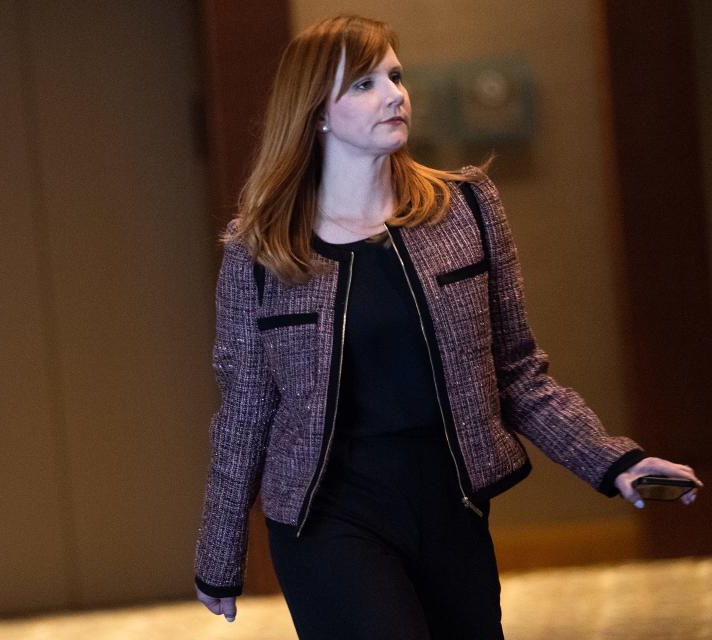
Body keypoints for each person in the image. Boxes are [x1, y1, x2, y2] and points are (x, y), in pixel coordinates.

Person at [192, 14, 702, 640]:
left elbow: (517, 373)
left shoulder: (465, 212)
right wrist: (220, 554)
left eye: (395, 76)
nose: (393, 95)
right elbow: (246, 407)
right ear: (315, 113)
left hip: (449, 505)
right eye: (364, 84)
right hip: (328, 514)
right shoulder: (262, 251)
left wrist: (615, 462)